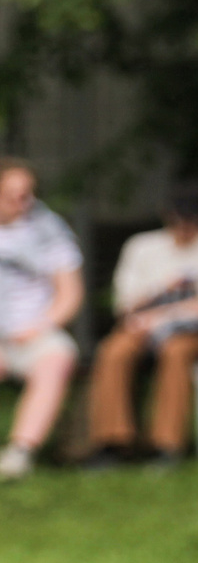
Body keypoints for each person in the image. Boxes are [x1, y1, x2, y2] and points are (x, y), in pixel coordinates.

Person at [86, 180, 198, 465]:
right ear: (167, 213)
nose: (186, 224)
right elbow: (124, 303)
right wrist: (163, 289)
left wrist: (161, 316)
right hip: (140, 327)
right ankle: (113, 441)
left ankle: (166, 445)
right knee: (113, 351)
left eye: (193, 217)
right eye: (180, 216)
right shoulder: (142, 247)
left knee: (176, 351)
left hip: (197, 335)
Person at [0, 158, 83, 480]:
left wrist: (40, 327)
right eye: (13, 195)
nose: (23, 202)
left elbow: (70, 293)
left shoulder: (49, 229)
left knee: (58, 357)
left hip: (33, 332)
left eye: (28, 194)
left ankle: (19, 454)